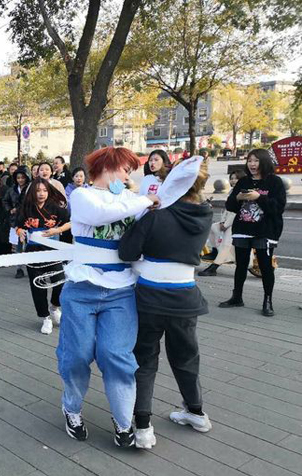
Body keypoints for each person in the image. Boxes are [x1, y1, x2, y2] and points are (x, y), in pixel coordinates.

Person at [58, 147, 159, 447]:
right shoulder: (82, 195)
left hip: (121, 291)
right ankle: (71, 408)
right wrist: (144, 200)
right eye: (125, 169)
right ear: (108, 166)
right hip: (81, 288)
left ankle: (124, 421)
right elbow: (100, 215)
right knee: (76, 356)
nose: (128, 176)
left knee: (116, 356)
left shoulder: (131, 199)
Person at [119, 160, 213, 449]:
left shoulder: (155, 216)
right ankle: (196, 412)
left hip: (150, 297)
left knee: (145, 359)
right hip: (185, 297)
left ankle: (143, 427)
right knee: (186, 357)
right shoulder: (205, 214)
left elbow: (126, 251)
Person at [219, 149, 286, 316]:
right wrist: (237, 198)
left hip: (265, 231)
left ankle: (268, 301)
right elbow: (230, 205)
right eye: (250, 161)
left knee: (265, 266)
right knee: (241, 265)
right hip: (243, 229)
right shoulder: (243, 181)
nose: (252, 164)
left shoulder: (274, 182)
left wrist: (258, 197)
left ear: (264, 162)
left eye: (256, 161)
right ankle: (237, 297)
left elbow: (278, 208)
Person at [16, 179, 71, 335]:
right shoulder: (26, 208)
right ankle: (45, 317)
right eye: (38, 190)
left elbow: (70, 223)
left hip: (53, 250)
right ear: (33, 192)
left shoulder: (56, 207)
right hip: (33, 251)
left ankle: (54, 307)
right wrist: (20, 231)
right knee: (37, 286)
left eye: (45, 190)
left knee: (59, 282)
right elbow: (18, 225)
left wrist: (56, 230)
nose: (41, 194)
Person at [198, 171, 246, 276]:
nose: (233, 180)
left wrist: (226, 224)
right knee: (213, 227)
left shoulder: (242, 193)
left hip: (237, 224)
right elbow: (227, 209)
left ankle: (214, 268)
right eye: (231, 178)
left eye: (236, 178)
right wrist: (222, 222)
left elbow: (236, 212)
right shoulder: (232, 191)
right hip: (228, 221)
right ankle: (215, 251)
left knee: (226, 244)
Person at [3, 166, 31, 278]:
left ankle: (31, 267)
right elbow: (5, 200)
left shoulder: (31, 188)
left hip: (29, 220)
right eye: (18, 178)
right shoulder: (12, 189)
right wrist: (10, 209)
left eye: (23, 177)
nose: (20, 180)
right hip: (16, 220)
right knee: (18, 246)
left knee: (30, 245)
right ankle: (19, 268)